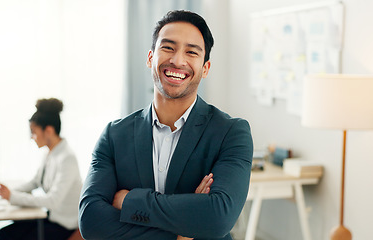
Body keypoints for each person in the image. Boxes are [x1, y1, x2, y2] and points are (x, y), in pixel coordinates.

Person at [79, 10, 253, 240]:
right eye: (168, 47)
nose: (178, 60)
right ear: (150, 58)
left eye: (191, 52)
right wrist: (182, 232)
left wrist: (129, 201)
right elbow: (91, 221)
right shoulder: (114, 135)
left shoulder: (231, 133)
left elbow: (218, 218)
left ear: (206, 68)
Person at [0, 98, 82, 240]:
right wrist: (9, 191)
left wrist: (13, 197)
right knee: (5, 233)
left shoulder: (67, 158)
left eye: (34, 132)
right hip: (50, 219)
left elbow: (52, 201)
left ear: (48, 130)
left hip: (64, 226)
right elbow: (35, 182)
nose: (32, 137)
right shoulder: (50, 153)